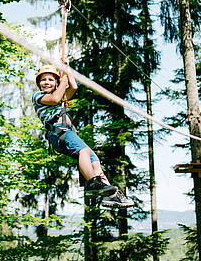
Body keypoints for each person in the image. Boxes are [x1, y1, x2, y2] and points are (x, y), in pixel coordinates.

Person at [32, 63, 134, 208]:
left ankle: (110, 195)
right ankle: (92, 183)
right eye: (43, 80)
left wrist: (67, 70)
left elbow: (74, 87)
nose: (46, 82)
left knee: (94, 160)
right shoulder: (39, 96)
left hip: (68, 133)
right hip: (59, 132)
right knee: (84, 151)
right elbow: (54, 99)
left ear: (56, 83)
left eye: (50, 79)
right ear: (39, 84)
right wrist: (63, 81)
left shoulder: (60, 95)